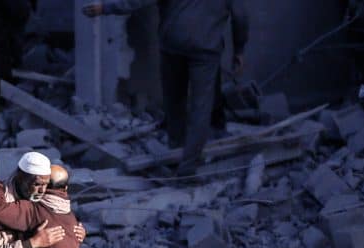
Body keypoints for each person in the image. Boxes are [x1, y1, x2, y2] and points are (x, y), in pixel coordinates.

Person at [82, 0, 249, 176]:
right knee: (200, 108)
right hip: (205, 48)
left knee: (174, 99)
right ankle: (188, 168)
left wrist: (105, 8)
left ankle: (175, 150)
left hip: (173, 42)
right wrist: (239, 49)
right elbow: (241, 17)